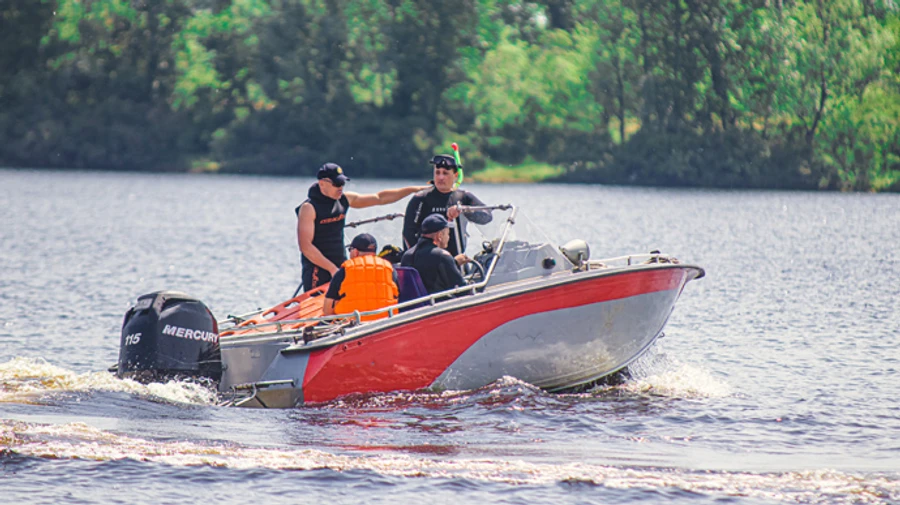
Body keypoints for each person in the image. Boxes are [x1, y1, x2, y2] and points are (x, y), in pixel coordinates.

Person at [297, 163, 426, 292]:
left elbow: (379, 198)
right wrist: (331, 269)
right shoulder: (309, 208)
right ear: (322, 183)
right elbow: (306, 247)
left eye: (342, 183)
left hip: (340, 264)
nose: (341, 187)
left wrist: (414, 189)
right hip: (317, 269)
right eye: (337, 184)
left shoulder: (345, 199)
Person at [402, 154, 492, 258]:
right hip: (427, 261)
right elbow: (408, 234)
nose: (440, 177)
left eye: (445, 173)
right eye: (437, 173)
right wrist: (417, 259)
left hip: (456, 261)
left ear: (455, 175)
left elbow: (487, 216)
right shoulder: (421, 198)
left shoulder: (463, 197)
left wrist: (463, 210)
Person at [323, 233, 399, 321]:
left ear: (355, 252)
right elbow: (396, 296)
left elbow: (327, 310)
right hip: (385, 322)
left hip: (352, 325)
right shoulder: (389, 268)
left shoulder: (345, 270)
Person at [400, 214, 467, 295]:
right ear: (439, 236)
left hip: (415, 305)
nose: (449, 237)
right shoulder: (442, 256)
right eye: (448, 234)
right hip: (440, 305)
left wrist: (454, 262)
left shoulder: (406, 256)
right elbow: (462, 290)